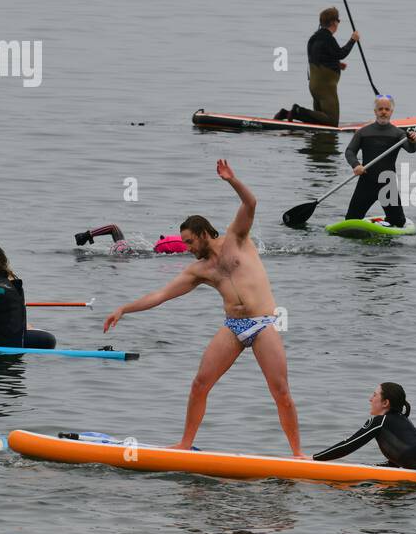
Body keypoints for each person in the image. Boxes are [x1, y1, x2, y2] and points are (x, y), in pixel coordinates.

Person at [103, 160, 303, 455]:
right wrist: (124, 309)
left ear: (203, 233)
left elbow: (251, 203)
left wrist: (232, 180)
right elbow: (161, 295)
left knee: (281, 391)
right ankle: (185, 444)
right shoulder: (200, 270)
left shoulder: (236, 238)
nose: (187, 248)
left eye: (189, 242)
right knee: (199, 384)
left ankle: (298, 454)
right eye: (184, 244)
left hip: (262, 324)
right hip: (233, 326)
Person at [275, 7, 359, 126]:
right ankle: (297, 111)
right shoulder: (328, 39)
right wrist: (353, 40)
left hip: (314, 85)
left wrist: (337, 64)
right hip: (325, 87)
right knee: (332, 121)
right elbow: (341, 54)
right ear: (334, 22)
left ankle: (286, 113)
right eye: (338, 21)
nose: (338, 24)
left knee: (319, 122)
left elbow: (318, 58)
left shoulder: (313, 38)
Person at [342, 95, 416, 226]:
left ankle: (386, 224)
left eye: (387, 109)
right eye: (380, 109)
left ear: (391, 112)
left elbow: (411, 150)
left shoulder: (399, 134)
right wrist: (356, 165)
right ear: (375, 111)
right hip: (366, 182)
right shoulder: (363, 132)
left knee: (399, 222)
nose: (383, 112)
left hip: (387, 184)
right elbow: (350, 151)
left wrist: (412, 141)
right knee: (351, 221)